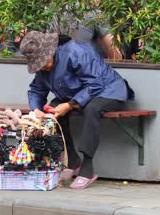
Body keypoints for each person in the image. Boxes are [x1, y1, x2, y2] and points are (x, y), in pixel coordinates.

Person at [20, 31, 134, 189]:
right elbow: (36, 90)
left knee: (92, 109)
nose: (43, 67)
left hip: (109, 91)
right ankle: (73, 162)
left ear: (51, 51)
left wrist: (69, 105)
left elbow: (96, 83)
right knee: (52, 112)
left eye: (43, 62)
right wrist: (36, 110)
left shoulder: (75, 52)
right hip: (77, 95)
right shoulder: (43, 68)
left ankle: (87, 169)